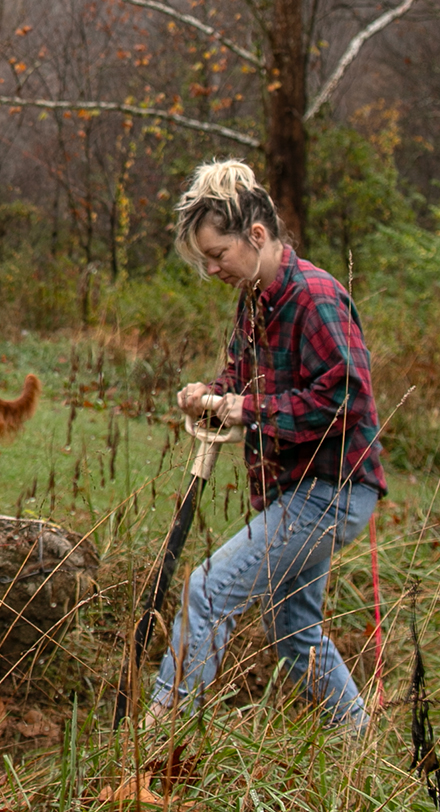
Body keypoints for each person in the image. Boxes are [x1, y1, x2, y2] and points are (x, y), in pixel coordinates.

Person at [149, 160, 386, 735]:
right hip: (291, 490)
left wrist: (249, 410)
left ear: (256, 235)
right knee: (292, 628)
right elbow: (242, 379)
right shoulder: (255, 298)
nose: (211, 269)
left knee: (208, 592)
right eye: (205, 259)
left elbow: (347, 398)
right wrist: (210, 395)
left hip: (330, 492)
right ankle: (358, 744)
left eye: (217, 254)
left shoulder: (316, 298)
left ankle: (162, 735)